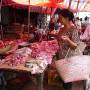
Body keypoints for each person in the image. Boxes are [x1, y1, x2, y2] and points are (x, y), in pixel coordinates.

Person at [55, 9, 80, 90]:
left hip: (69, 58)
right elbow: (58, 40)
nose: (59, 20)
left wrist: (68, 40)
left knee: (67, 81)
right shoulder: (61, 29)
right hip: (60, 56)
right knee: (63, 78)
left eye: (61, 18)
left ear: (67, 18)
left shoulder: (74, 29)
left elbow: (75, 46)